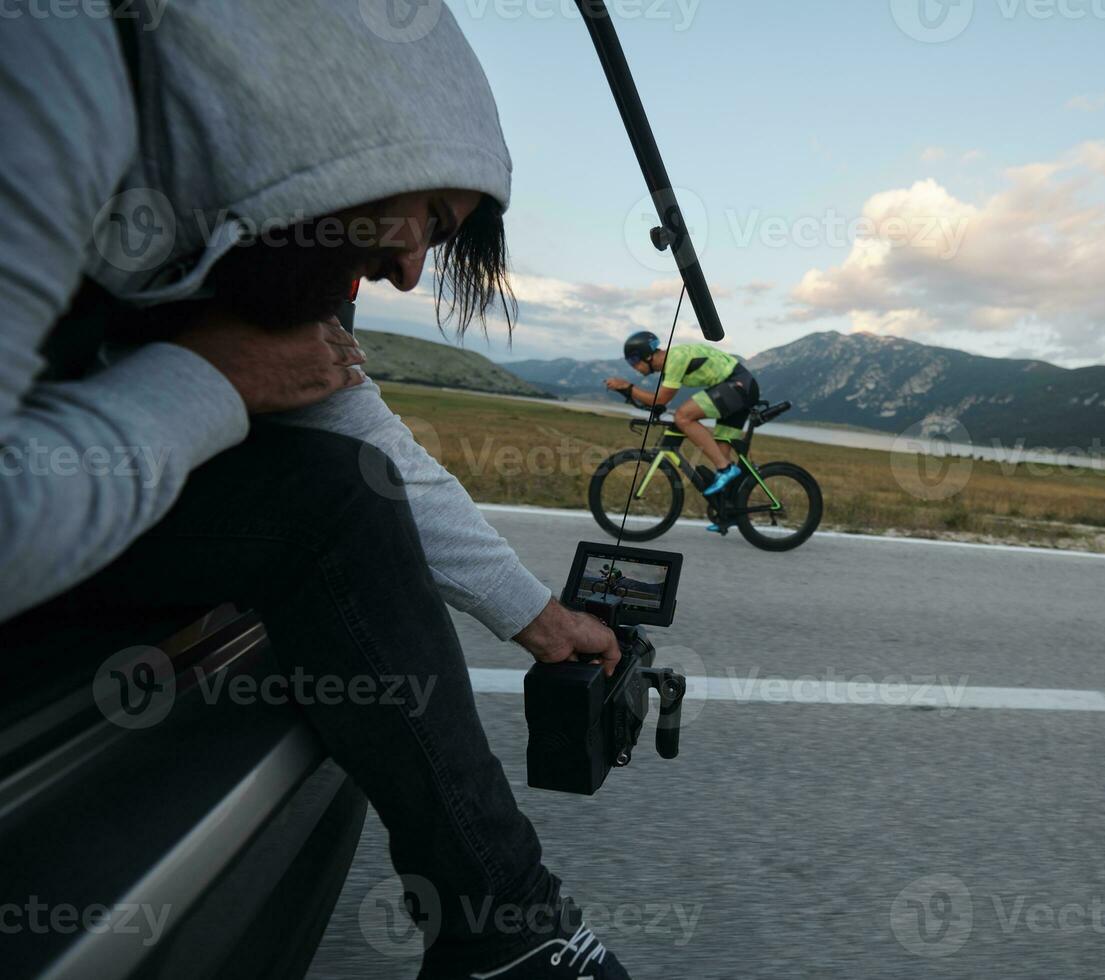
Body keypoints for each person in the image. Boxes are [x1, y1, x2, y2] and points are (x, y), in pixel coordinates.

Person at [1, 5, 636, 977]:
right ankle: (507, 936)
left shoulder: (224, 210)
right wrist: (210, 380)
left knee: (334, 487)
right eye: (428, 221)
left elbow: (364, 448)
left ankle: (509, 928)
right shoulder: (55, 60)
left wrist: (539, 618)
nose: (406, 270)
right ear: (343, 117)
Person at [605, 331, 761, 508]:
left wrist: (628, 387)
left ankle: (726, 468)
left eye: (633, 361)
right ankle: (729, 511)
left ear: (647, 356)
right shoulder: (669, 366)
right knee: (720, 454)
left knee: (683, 416)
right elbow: (658, 403)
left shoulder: (675, 359)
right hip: (737, 387)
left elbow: (660, 399)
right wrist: (627, 392)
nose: (633, 367)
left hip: (738, 385)